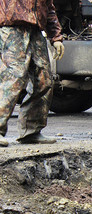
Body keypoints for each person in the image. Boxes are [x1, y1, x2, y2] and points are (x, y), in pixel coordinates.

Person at [0, 0, 65, 147]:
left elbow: (48, 7)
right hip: (11, 29)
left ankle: (31, 130)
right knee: (12, 79)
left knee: (44, 80)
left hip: (35, 30)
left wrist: (55, 36)